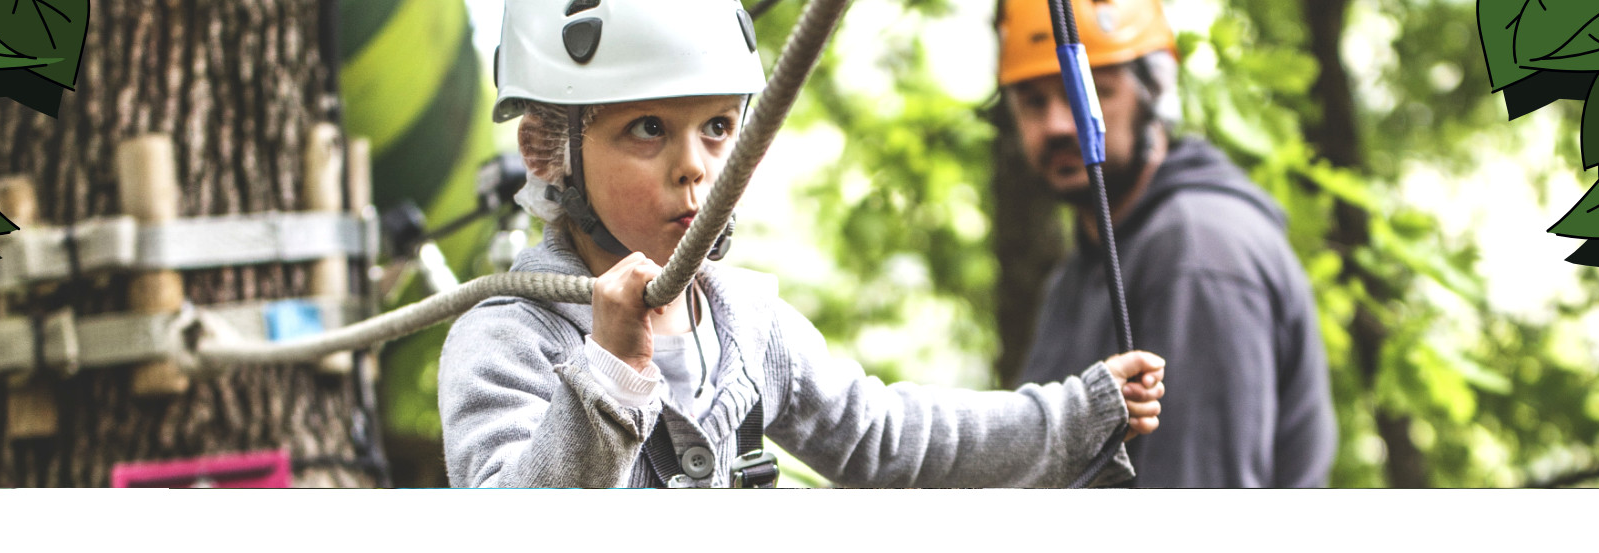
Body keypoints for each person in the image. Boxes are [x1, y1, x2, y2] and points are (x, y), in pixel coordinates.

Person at [438, 0, 1165, 488]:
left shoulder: (745, 323)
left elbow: (890, 437)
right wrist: (607, 377)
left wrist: (1078, 411)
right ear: (545, 149)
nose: (696, 164)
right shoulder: (504, 336)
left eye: (719, 127)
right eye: (649, 127)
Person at [995, 0, 1337, 487]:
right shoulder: (1079, 272)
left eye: (1089, 92)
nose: (1056, 124)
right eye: (1033, 101)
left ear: (1153, 96)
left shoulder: (1198, 251)